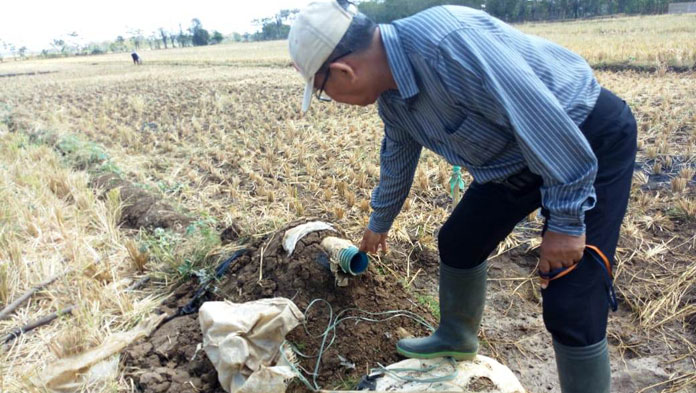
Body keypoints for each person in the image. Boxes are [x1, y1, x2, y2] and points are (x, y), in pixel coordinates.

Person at [288, 1, 637, 392]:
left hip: (584, 138)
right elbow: (398, 157)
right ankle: (457, 335)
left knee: (572, 297)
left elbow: (547, 126)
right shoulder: (392, 96)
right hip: (516, 158)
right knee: (459, 241)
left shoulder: (448, 45)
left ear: (343, 72)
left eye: (321, 91)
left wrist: (566, 224)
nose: (329, 99)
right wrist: (378, 224)